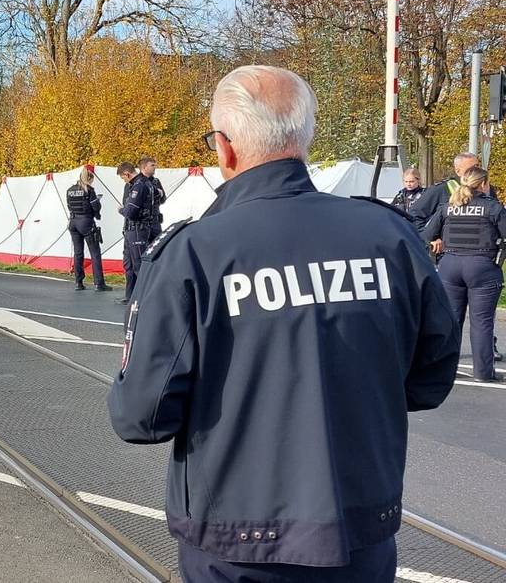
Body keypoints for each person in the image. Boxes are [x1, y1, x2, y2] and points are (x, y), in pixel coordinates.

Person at [108, 65, 459, 582]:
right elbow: (430, 380)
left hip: (237, 541)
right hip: (359, 530)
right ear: (303, 138)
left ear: (224, 148)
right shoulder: (390, 237)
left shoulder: (194, 254)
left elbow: (141, 416)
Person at [422, 166, 506, 382]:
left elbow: (427, 234)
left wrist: (438, 241)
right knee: (481, 322)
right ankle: (483, 373)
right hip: (482, 267)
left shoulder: (448, 207)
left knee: (450, 321)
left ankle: (443, 371)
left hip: (450, 266)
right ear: (484, 184)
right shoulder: (493, 207)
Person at [116, 162, 159, 304]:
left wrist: (121, 209)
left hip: (137, 229)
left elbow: (130, 211)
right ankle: (130, 296)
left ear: (126, 174)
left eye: (123, 178)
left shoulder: (140, 185)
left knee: (139, 265)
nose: (124, 181)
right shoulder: (141, 184)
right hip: (131, 229)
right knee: (128, 265)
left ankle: (144, 298)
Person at [65, 166, 106, 292]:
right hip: (86, 222)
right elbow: (95, 207)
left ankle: (78, 282)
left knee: (78, 253)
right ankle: (99, 283)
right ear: (89, 179)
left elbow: (69, 205)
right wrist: (97, 206)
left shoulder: (70, 190)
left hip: (73, 222)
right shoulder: (89, 190)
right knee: (95, 253)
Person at [138, 156, 166, 225]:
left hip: (155, 221)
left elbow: (163, 199)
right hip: (141, 224)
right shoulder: (135, 182)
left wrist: (160, 195)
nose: (154, 167)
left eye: (154, 165)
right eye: (152, 165)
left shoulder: (155, 181)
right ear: (144, 167)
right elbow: (127, 203)